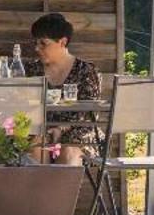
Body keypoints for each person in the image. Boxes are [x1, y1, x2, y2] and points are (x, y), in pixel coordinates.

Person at [21, 12, 102, 164]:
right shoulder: (32, 70)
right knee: (38, 145)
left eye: (43, 43)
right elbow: (23, 105)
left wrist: (62, 128)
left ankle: (63, 187)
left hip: (76, 131)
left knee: (69, 151)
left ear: (62, 42)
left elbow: (90, 112)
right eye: (36, 43)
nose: (37, 48)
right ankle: (39, 188)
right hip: (41, 131)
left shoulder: (86, 71)